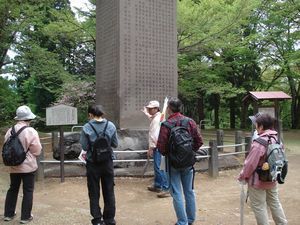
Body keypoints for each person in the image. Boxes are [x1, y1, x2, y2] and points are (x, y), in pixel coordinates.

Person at [157, 97, 203, 225]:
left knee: (176, 192)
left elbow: (161, 146)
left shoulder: (166, 125)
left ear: (169, 109)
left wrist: (171, 154)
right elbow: (199, 141)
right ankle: (190, 219)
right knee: (189, 191)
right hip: (188, 163)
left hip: (173, 164)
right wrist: (189, 152)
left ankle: (182, 222)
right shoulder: (190, 122)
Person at [238, 113, 287, 225]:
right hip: (273, 178)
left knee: (259, 207)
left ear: (261, 126)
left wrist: (242, 177)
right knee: (275, 203)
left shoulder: (259, 142)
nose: (255, 126)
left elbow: (250, 164)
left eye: (256, 124)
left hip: (258, 182)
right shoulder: (278, 139)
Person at [80, 105, 118, 225]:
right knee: (109, 190)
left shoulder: (86, 127)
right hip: (107, 162)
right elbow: (115, 144)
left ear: (91, 114)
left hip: (93, 163)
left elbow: (85, 147)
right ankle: (109, 219)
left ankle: (97, 219)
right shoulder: (111, 126)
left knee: (94, 191)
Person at [3, 105, 42, 224]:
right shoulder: (31, 131)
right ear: (28, 118)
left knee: (13, 189)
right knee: (28, 191)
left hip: (14, 166)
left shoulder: (10, 131)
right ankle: (25, 217)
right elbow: (37, 150)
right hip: (28, 167)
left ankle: (8, 214)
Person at [141, 100, 169, 197]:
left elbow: (154, 135)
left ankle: (166, 187)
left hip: (158, 146)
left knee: (160, 167)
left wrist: (151, 148)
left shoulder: (157, 119)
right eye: (148, 108)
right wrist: (146, 113)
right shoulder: (158, 116)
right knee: (158, 166)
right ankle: (158, 185)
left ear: (156, 109)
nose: (149, 110)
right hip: (159, 146)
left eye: (150, 109)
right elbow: (152, 118)